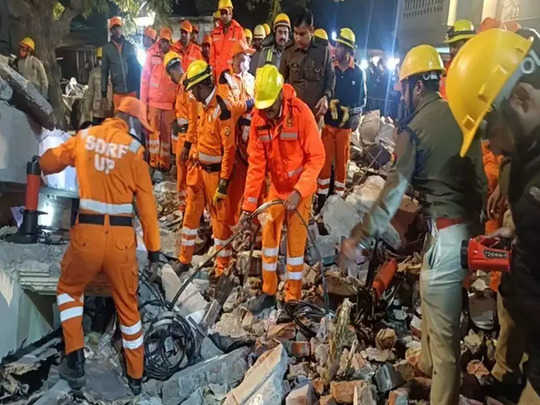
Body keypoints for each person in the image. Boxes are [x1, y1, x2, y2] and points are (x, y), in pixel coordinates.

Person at [341, 44, 487, 405]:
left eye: (403, 87)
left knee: (445, 336)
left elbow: (392, 194)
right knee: (434, 302)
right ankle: (426, 366)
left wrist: (359, 236)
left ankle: (443, 393)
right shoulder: (460, 115)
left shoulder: (414, 130)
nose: (400, 94)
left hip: (445, 237)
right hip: (465, 234)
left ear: (416, 86)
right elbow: (480, 183)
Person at [40, 96, 160, 395]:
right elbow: (147, 207)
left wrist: (40, 161)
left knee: (70, 290)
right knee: (128, 307)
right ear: (131, 122)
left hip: (87, 237)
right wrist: (154, 250)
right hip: (121, 243)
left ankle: (75, 357)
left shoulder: (85, 137)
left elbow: (50, 162)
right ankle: (136, 376)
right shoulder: (134, 151)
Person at [446, 27, 540, 405]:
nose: (489, 144)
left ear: (520, 97)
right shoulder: (526, 156)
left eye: (489, 127)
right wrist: (517, 235)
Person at [238, 65, 325, 313]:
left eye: (270, 107)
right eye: (263, 108)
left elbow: (317, 157)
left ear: (280, 95)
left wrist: (299, 192)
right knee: (269, 240)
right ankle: (268, 292)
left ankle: (292, 299)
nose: (267, 113)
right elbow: (256, 166)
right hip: (276, 189)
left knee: (295, 249)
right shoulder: (259, 119)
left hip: (300, 191)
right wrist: (248, 206)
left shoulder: (300, 113)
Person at [177, 60, 251, 275]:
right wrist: (188, 146)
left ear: (202, 86)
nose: (192, 94)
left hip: (216, 175)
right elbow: (194, 126)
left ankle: (222, 268)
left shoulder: (222, 109)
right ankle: (184, 258)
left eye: (194, 89)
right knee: (191, 213)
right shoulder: (200, 104)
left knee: (220, 223)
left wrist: (224, 183)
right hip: (199, 170)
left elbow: (229, 150)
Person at [316, 28, 366, 210]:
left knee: (341, 166)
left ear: (348, 50)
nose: (335, 49)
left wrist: (356, 117)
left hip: (345, 128)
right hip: (328, 125)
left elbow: (362, 100)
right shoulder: (331, 68)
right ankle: (321, 199)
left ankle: (337, 201)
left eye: (339, 46)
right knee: (324, 164)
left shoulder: (358, 73)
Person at [280, 9, 335, 121]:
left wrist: (326, 97)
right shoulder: (288, 51)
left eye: (302, 34)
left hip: (314, 116)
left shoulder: (323, 51)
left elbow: (331, 80)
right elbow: (280, 81)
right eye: (295, 33)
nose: (298, 38)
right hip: (292, 115)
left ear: (311, 30)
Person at [140, 27, 177, 172]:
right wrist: (143, 105)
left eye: (166, 41)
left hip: (169, 104)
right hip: (154, 103)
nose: (163, 44)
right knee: (153, 134)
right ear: (158, 41)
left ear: (170, 42)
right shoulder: (151, 54)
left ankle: (165, 164)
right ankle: (154, 163)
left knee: (166, 135)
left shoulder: (175, 56)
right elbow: (144, 80)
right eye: (162, 41)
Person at [102, 17, 141, 109]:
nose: (117, 31)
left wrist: (139, 90)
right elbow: (104, 71)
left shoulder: (130, 46)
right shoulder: (107, 49)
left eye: (118, 28)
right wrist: (103, 93)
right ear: (111, 31)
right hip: (118, 92)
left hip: (132, 90)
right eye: (114, 28)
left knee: (132, 116)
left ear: (121, 29)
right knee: (119, 116)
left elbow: (137, 69)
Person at [439, 19, 476, 99]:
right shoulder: (447, 70)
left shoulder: (480, 68)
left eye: (455, 46)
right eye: (450, 46)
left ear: (469, 43)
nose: (452, 50)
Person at [209, 0, 245, 78]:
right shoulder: (215, 33)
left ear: (231, 13)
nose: (223, 16)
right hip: (218, 77)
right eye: (221, 13)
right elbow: (212, 57)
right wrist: (212, 74)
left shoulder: (238, 31)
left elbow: (243, 56)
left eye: (225, 12)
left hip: (232, 77)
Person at [82, 47, 113, 126]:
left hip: (110, 111)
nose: (101, 61)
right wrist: (86, 109)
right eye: (100, 59)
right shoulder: (94, 73)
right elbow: (90, 92)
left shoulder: (114, 73)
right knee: (97, 131)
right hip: (97, 111)